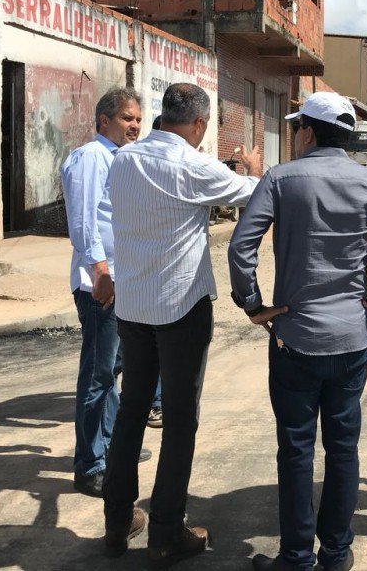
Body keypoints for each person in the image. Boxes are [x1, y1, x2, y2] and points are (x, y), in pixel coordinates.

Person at [228, 92, 367, 571]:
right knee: (343, 448)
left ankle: (296, 558)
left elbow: (241, 249)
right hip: (351, 340)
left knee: (296, 448)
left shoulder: (280, 179)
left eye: (297, 127)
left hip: (294, 338)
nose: (294, 134)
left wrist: (254, 305)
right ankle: (336, 553)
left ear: (309, 132)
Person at [101, 83, 263, 563]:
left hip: (133, 309)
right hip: (180, 310)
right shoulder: (193, 165)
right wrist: (251, 170)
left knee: (131, 412)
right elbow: (256, 195)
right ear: (200, 124)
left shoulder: (123, 160)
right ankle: (167, 529)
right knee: (179, 420)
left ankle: (116, 522)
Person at [60, 87, 151, 499]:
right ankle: (90, 464)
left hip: (122, 282)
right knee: (97, 375)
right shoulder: (90, 158)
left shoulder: (120, 159)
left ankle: (113, 446)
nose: (134, 125)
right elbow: (83, 223)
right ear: (104, 121)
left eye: (137, 119)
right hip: (102, 285)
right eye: (126, 118)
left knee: (113, 368)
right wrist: (100, 272)